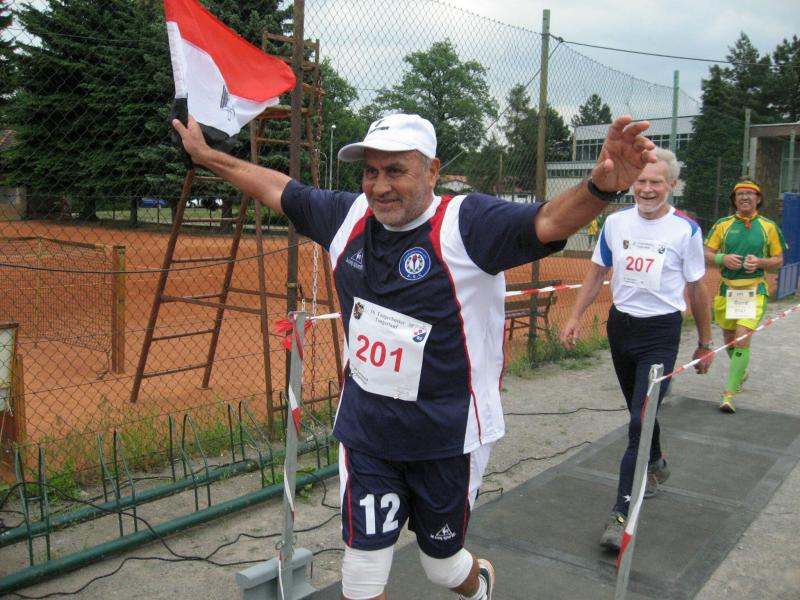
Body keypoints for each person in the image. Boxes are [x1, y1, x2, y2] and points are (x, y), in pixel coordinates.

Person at [173, 111, 656, 600]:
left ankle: (478, 583)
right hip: (368, 431)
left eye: (395, 170)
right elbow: (279, 188)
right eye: (370, 172)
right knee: (361, 577)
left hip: (448, 436)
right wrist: (208, 155)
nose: (380, 186)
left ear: (432, 171)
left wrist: (599, 187)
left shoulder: (466, 223)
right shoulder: (346, 218)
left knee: (441, 567)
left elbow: (548, 220)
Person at [559, 147, 714, 552]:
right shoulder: (615, 223)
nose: (647, 189)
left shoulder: (685, 230)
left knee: (638, 422)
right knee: (638, 410)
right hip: (621, 328)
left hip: (660, 332)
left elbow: (697, 287)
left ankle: (621, 513)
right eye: (641, 181)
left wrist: (705, 343)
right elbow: (597, 272)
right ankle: (656, 460)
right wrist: (574, 316)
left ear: (672, 185)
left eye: (656, 182)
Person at [703, 177, 786, 414]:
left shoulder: (769, 227)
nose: (745, 197)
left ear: (758, 199)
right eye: (740, 194)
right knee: (729, 338)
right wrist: (722, 258)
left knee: (741, 339)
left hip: (754, 291)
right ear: (734, 199)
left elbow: (778, 260)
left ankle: (729, 393)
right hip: (726, 290)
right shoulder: (723, 225)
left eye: (750, 193)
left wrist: (760, 262)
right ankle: (742, 370)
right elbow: (706, 253)